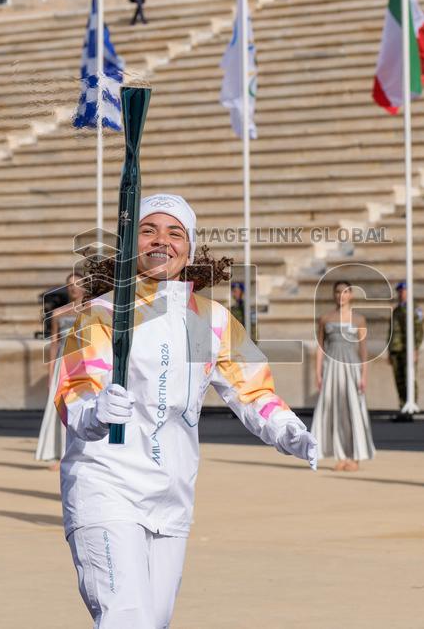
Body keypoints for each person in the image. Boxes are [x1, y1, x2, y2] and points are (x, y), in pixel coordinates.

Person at [56, 193, 317, 628]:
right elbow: (75, 391)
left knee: (153, 622)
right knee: (126, 619)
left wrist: (289, 430)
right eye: (148, 230)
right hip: (106, 486)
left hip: (171, 498)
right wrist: (94, 413)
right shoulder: (102, 314)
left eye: (175, 232)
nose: (162, 240)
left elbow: (251, 390)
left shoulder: (209, 320)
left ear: (190, 248)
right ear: (129, 243)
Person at [312, 280, 374, 472]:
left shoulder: (359, 320)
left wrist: (364, 375)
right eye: (338, 292)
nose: (342, 296)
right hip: (332, 368)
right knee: (335, 411)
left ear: (351, 295)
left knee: (353, 410)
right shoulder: (325, 318)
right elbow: (320, 348)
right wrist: (318, 372)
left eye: (346, 292)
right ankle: (340, 455)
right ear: (334, 294)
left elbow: (364, 351)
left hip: (352, 367)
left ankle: (355, 457)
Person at [36, 273, 85, 469]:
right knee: (60, 409)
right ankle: (60, 453)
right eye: (70, 285)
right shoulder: (58, 314)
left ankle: (80, 453)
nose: (74, 288)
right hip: (62, 366)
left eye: (78, 284)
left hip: (83, 365)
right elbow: (54, 344)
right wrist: (50, 373)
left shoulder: (92, 311)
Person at [388, 281, 423, 421]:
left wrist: (415, 348)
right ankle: (403, 406)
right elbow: (390, 332)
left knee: (410, 378)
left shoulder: (415, 309)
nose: (401, 293)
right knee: (400, 380)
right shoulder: (396, 310)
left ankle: (411, 406)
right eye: (400, 291)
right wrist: (389, 350)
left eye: (404, 291)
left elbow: (419, 331)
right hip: (397, 349)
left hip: (408, 349)